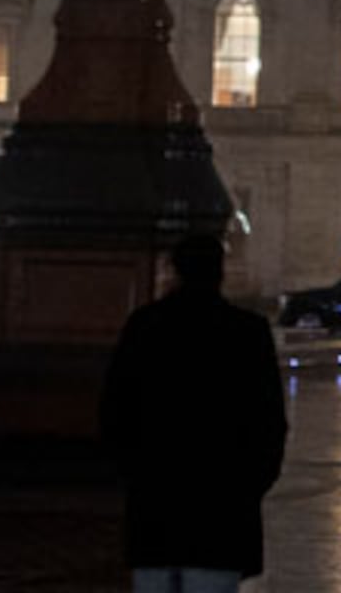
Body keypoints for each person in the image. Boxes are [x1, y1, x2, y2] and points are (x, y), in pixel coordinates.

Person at [99, 234, 287, 592]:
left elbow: (115, 411)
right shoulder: (248, 332)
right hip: (222, 507)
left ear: (175, 271)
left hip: (154, 501)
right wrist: (251, 486)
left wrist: (132, 475)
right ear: (220, 274)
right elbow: (269, 422)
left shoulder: (145, 325)